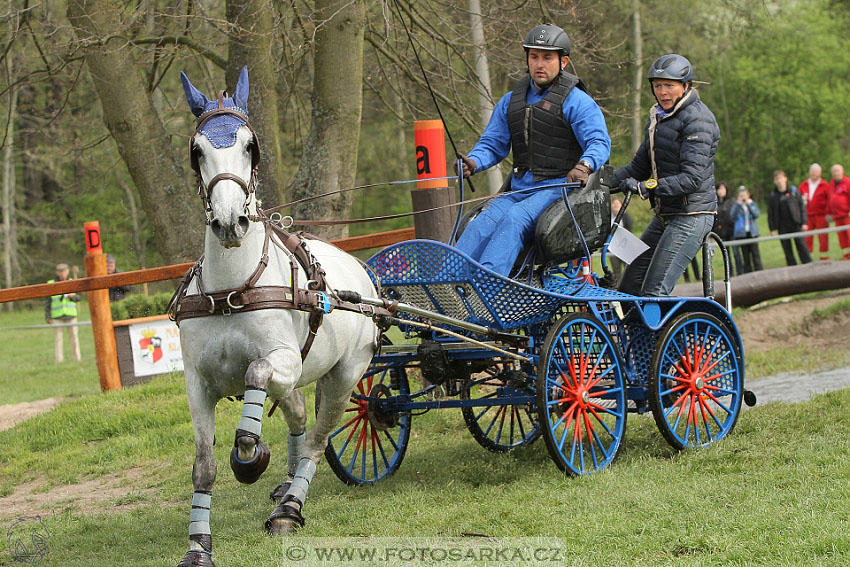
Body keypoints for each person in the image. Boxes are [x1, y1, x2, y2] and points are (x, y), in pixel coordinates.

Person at [454, 23, 611, 277]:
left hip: (559, 189)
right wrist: (473, 162)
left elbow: (599, 142)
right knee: (479, 223)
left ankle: (488, 288)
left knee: (514, 219)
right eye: (534, 56)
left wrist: (585, 165)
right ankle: (446, 286)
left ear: (564, 61)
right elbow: (493, 144)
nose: (539, 64)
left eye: (547, 57)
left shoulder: (577, 101)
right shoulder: (510, 102)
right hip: (519, 189)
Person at [612, 54, 720, 297]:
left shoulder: (698, 119)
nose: (663, 92)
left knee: (653, 292)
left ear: (686, 86)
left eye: (669, 85)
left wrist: (645, 187)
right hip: (666, 214)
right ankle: (637, 335)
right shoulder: (659, 118)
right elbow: (636, 168)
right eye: (658, 85)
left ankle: (665, 334)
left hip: (692, 215)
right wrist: (595, 181)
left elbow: (692, 179)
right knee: (629, 288)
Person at [768, 170, 811, 266]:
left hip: (795, 224)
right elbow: (770, 213)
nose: (779, 181)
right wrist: (772, 229)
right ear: (774, 181)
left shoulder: (793, 191)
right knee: (787, 250)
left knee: (802, 246)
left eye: (781, 178)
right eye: (777, 179)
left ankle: (808, 265)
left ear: (785, 179)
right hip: (782, 226)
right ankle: (792, 269)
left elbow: (801, 207)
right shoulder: (773, 196)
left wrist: (804, 222)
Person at [45, 263, 81, 362]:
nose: (63, 274)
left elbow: (79, 298)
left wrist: (71, 297)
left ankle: (77, 359)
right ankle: (59, 360)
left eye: (64, 271)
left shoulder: (72, 282)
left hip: (71, 316)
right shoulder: (51, 283)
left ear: (68, 271)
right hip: (57, 316)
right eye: (60, 272)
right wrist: (47, 316)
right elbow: (48, 302)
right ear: (57, 272)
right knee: (58, 340)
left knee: (74, 339)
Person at [800, 163, 831, 261]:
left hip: (821, 215)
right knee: (807, 237)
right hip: (807, 216)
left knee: (823, 237)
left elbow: (830, 200)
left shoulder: (825, 185)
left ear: (820, 173)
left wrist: (828, 213)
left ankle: (824, 258)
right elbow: (798, 200)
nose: (814, 173)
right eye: (812, 171)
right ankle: (808, 258)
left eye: (816, 172)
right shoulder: (804, 185)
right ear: (809, 172)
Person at [729, 186, 763, 273]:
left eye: (744, 195)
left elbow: (756, 215)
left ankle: (759, 272)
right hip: (742, 234)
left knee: (756, 255)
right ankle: (748, 273)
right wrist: (738, 204)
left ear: (748, 195)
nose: (743, 198)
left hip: (752, 233)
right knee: (745, 256)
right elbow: (732, 216)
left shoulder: (752, 204)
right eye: (741, 196)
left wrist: (749, 205)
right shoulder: (737, 206)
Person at [608, 196, 634, 284]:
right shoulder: (608, 218)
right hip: (612, 248)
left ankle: (629, 285)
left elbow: (629, 231)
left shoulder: (627, 217)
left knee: (627, 268)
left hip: (624, 247)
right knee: (616, 270)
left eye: (617, 204)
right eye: (614, 204)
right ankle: (618, 287)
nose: (615, 205)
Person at [828, 164, 850, 260]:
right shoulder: (831, 184)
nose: (836, 173)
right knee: (842, 238)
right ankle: (846, 255)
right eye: (834, 171)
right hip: (837, 216)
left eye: (837, 171)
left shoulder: (847, 182)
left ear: (842, 171)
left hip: (847, 216)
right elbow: (830, 199)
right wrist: (829, 213)